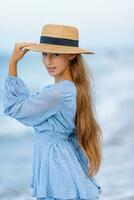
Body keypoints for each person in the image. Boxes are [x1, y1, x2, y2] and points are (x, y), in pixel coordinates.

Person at [3, 24, 103, 200]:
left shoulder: (56, 94)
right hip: (64, 164)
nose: (48, 61)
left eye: (55, 54)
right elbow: (30, 104)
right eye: (44, 54)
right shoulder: (71, 89)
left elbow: (15, 107)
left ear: (72, 55)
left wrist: (12, 63)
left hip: (58, 170)